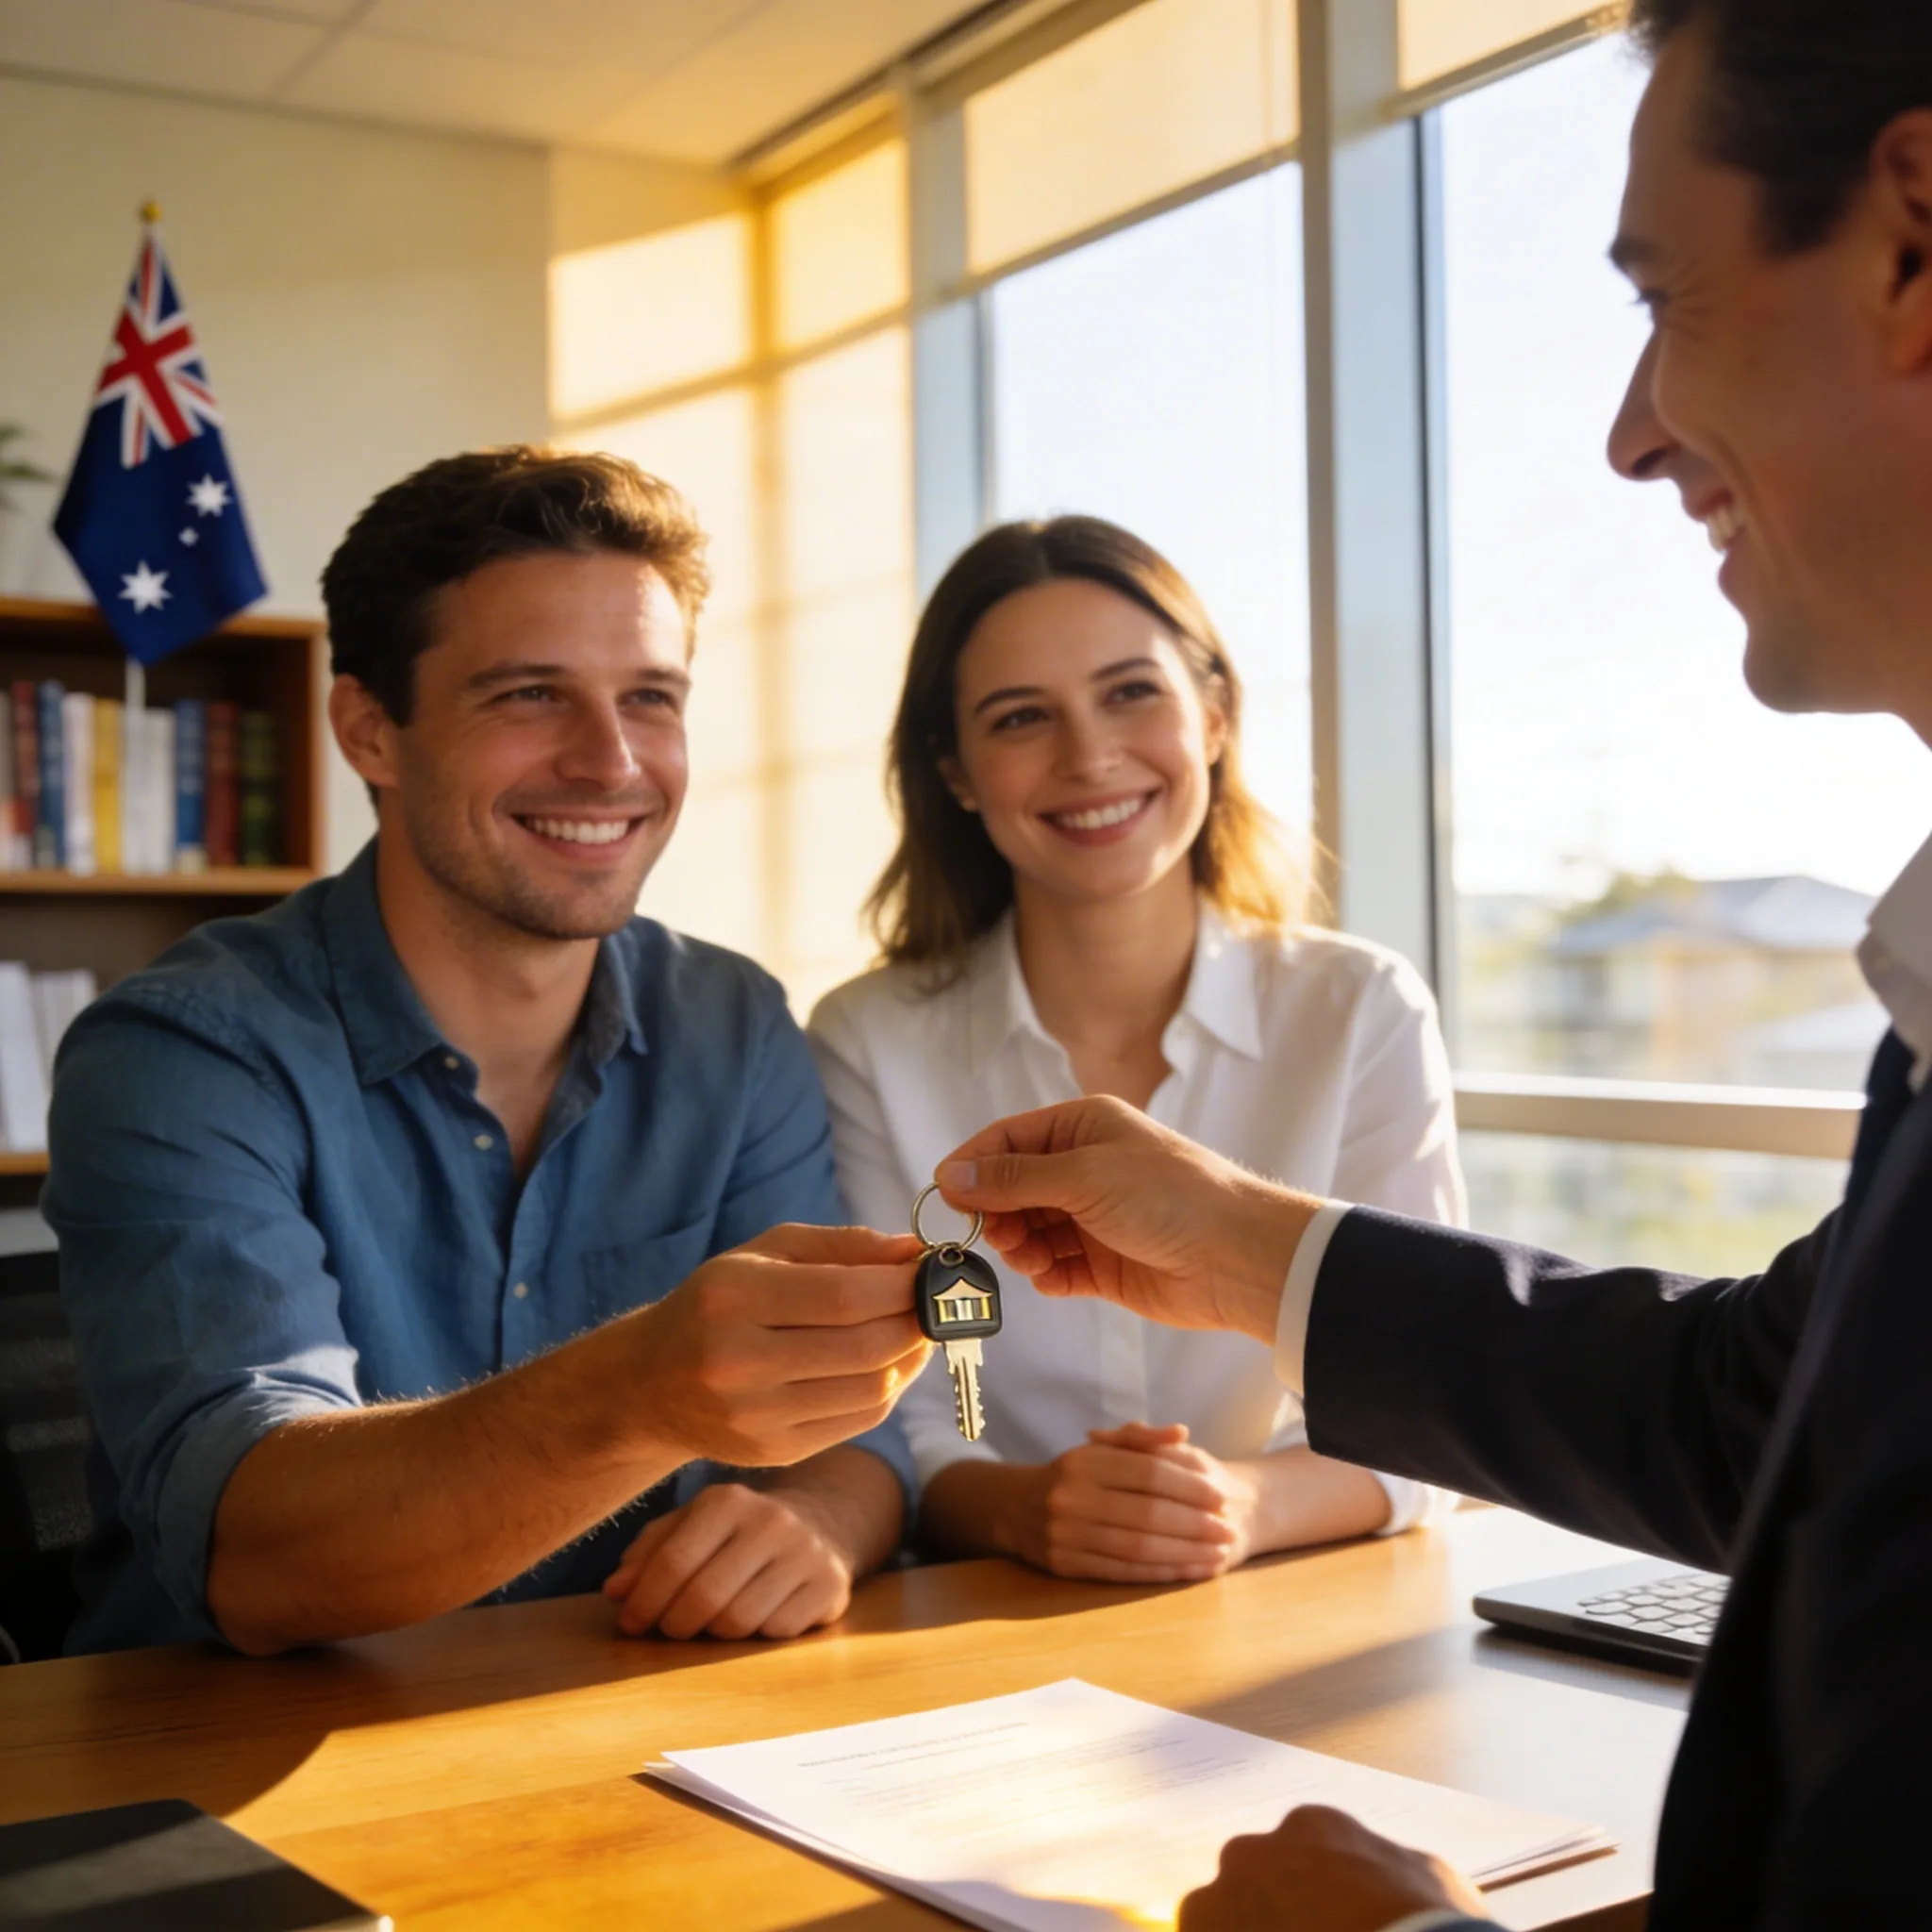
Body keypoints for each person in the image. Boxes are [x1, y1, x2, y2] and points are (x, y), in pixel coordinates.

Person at [932, 0, 1932, 1925]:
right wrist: (1250, 1244)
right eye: (1016, 721)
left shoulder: (1358, 996)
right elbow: (1762, 1410)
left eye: (1666, 297)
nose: (1627, 429)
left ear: (1910, 238)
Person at [44, 448, 930, 1657]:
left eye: (651, 697)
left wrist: (815, 1520)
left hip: (617, 1733)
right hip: (215, 1771)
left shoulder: (732, 1022)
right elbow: (254, 1550)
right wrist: (639, 1388)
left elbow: (855, 1435)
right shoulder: (181, 1051)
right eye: (527, 694)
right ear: (369, 731)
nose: (611, 762)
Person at [808, 516, 1463, 1586]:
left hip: (1285, 1621)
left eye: (1129, 692)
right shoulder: (865, 1040)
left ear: (1213, 713)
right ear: (955, 771)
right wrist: (1031, 1508)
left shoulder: (1360, 1007)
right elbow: (894, 1425)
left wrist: (1233, 1504)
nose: (1088, 756)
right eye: (1019, 717)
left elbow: (1430, 1406)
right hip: (984, 1634)